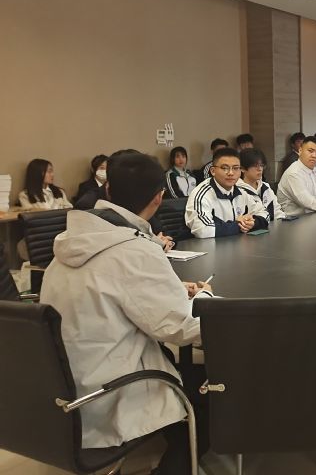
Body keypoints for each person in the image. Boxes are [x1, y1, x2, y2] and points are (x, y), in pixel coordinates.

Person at [39, 152, 213, 474]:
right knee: (209, 405)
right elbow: (182, 327)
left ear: (108, 190)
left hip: (62, 389)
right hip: (108, 393)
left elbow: (111, 287)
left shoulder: (68, 243)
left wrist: (171, 288)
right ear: (159, 197)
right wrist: (205, 295)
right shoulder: (135, 250)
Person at [185, 147, 269, 238]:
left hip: (236, 243)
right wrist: (239, 225)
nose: (231, 173)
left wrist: (253, 223)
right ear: (213, 171)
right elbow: (202, 230)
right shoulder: (202, 194)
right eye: (225, 168)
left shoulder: (241, 191)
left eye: (236, 168)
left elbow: (265, 214)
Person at [237, 148, 286, 222]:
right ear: (242, 168)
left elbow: (277, 211)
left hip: (274, 226)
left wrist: (282, 222)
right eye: (255, 166)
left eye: (261, 165)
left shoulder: (265, 186)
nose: (260, 169)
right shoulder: (238, 191)